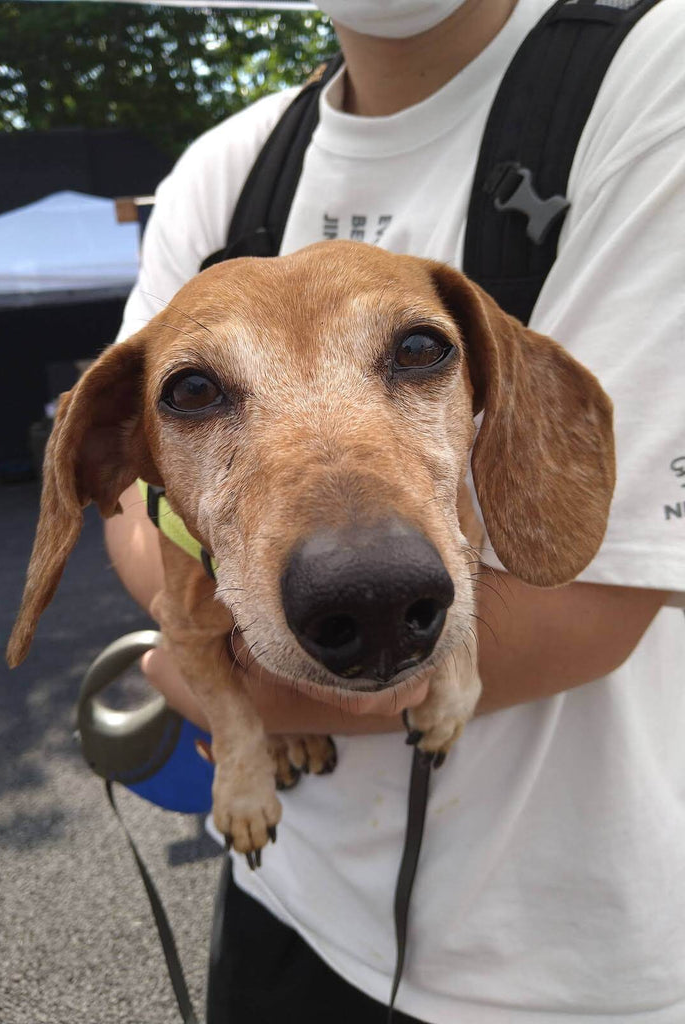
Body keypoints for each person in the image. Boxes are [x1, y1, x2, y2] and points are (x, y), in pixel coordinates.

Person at [106, 0, 685, 1020]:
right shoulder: (224, 166)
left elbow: (583, 611)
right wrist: (243, 713)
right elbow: (127, 511)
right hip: (284, 893)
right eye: (201, 390)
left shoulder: (654, 75)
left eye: (416, 353)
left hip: (569, 961)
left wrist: (200, 676)